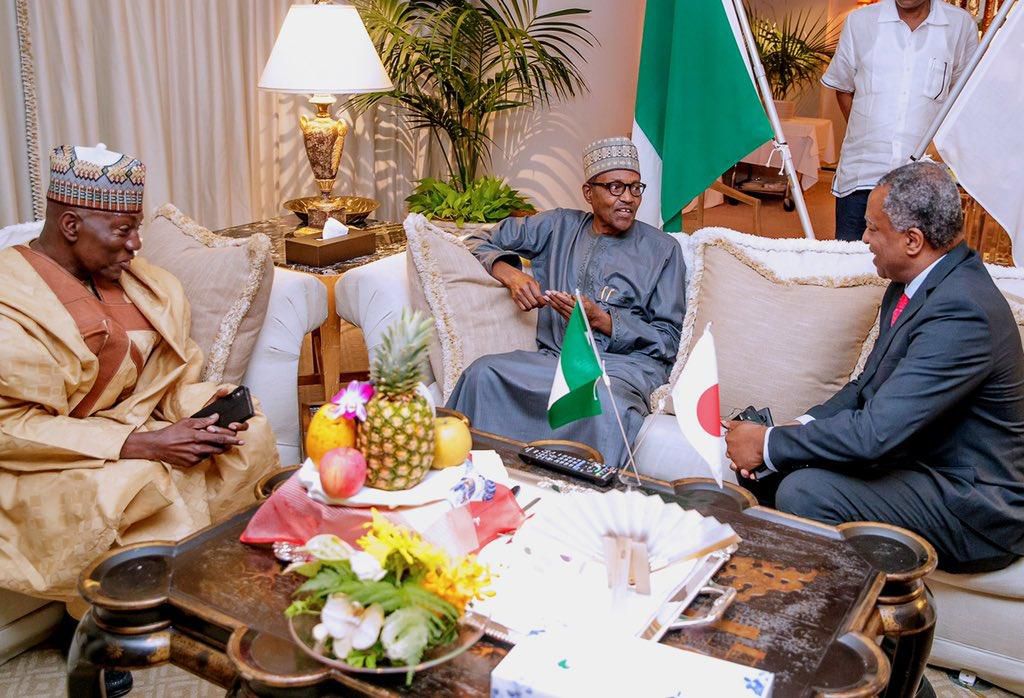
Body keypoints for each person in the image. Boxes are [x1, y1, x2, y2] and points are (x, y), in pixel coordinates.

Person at [0, 144, 280, 603]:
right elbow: (10, 427)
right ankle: (112, 616)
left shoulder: (144, 284)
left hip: (136, 424)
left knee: (246, 434)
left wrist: (203, 411)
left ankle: (229, 578)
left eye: (137, 229)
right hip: (50, 454)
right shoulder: (9, 303)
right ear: (71, 225)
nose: (135, 244)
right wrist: (141, 444)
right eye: (123, 230)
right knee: (129, 481)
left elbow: (168, 378)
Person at [724, 161, 1024, 575]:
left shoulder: (962, 311)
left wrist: (769, 442)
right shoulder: (912, 283)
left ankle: (834, 623)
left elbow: (876, 433)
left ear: (913, 240)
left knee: (806, 492)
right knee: (767, 474)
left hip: (972, 503)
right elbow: (865, 386)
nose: (863, 238)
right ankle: (776, 587)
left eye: (872, 228)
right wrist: (795, 429)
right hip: (918, 461)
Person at [446, 137, 687, 469]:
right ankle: (478, 477)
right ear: (589, 192)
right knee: (482, 372)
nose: (628, 199)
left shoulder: (663, 250)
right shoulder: (558, 226)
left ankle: (581, 500)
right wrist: (511, 275)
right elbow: (476, 238)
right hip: (554, 360)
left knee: (600, 400)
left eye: (635, 188)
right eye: (616, 188)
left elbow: (669, 339)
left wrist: (602, 319)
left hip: (620, 367)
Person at [822, 0, 978, 241]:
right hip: (861, 175)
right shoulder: (860, 22)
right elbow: (843, 87)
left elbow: (963, 98)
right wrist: (866, 134)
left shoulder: (959, 26)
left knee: (916, 271)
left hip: (924, 181)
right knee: (849, 267)